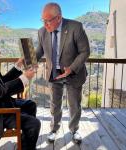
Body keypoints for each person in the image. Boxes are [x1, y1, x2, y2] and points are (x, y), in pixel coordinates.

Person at [36, 2, 90, 144]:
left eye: (48, 21)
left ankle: (74, 129)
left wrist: (71, 68)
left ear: (58, 18)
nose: (45, 24)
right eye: (43, 20)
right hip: (54, 73)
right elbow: (39, 52)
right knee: (54, 104)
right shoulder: (42, 31)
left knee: (74, 104)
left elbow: (85, 51)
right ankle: (54, 129)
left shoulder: (75, 27)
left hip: (73, 72)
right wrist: (28, 60)